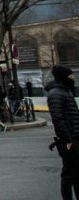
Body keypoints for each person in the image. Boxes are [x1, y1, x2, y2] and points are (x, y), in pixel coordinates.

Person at [47, 65, 79, 200]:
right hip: (69, 140)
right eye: (70, 76)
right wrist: (68, 140)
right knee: (68, 173)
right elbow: (58, 119)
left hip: (74, 137)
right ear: (63, 77)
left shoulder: (65, 92)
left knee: (76, 172)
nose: (73, 78)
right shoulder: (56, 94)